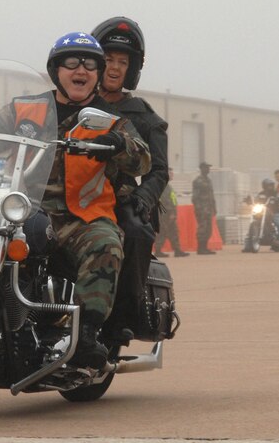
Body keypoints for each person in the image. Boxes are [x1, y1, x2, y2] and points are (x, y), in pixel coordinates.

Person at [0, 31, 150, 368]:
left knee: (106, 245)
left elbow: (142, 159)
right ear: (56, 70)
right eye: (71, 62)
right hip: (20, 209)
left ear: (97, 74)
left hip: (78, 217)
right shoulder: (25, 109)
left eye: (90, 65)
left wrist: (119, 144)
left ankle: (86, 335)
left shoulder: (109, 119)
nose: (80, 70)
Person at [92, 17, 171, 339]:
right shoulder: (72, 103)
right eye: (108, 59)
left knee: (137, 231)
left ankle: (121, 320)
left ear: (132, 69)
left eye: (122, 62)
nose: (114, 68)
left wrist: (143, 198)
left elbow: (160, 170)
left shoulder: (145, 117)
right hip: (68, 193)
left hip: (118, 197)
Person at [244, 178, 279, 252]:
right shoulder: (261, 194)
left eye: (271, 185)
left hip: (275, 212)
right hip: (262, 212)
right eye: (268, 185)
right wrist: (249, 200)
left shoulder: (276, 193)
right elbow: (255, 200)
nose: (270, 187)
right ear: (264, 186)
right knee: (252, 224)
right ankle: (247, 246)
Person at [155, 167, 189, 258]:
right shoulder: (163, 186)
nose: (172, 174)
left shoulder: (168, 186)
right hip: (165, 214)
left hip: (169, 213)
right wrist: (171, 213)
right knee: (163, 231)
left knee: (173, 231)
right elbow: (166, 201)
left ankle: (177, 250)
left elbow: (172, 200)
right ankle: (158, 250)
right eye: (170, 173)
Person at [192, 162, 217, 254]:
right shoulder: (198, 181)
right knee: (202, 228)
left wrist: (214, 207)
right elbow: (195, 197)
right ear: (202, 169)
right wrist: (198, 208)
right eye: (206, 168)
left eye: (208, 168)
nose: (208, 169)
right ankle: (200, 248)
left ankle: (205, 247)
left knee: (208, 229)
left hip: (209, 209)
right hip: (202, 209)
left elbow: (211, 196)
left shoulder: (209, 180)